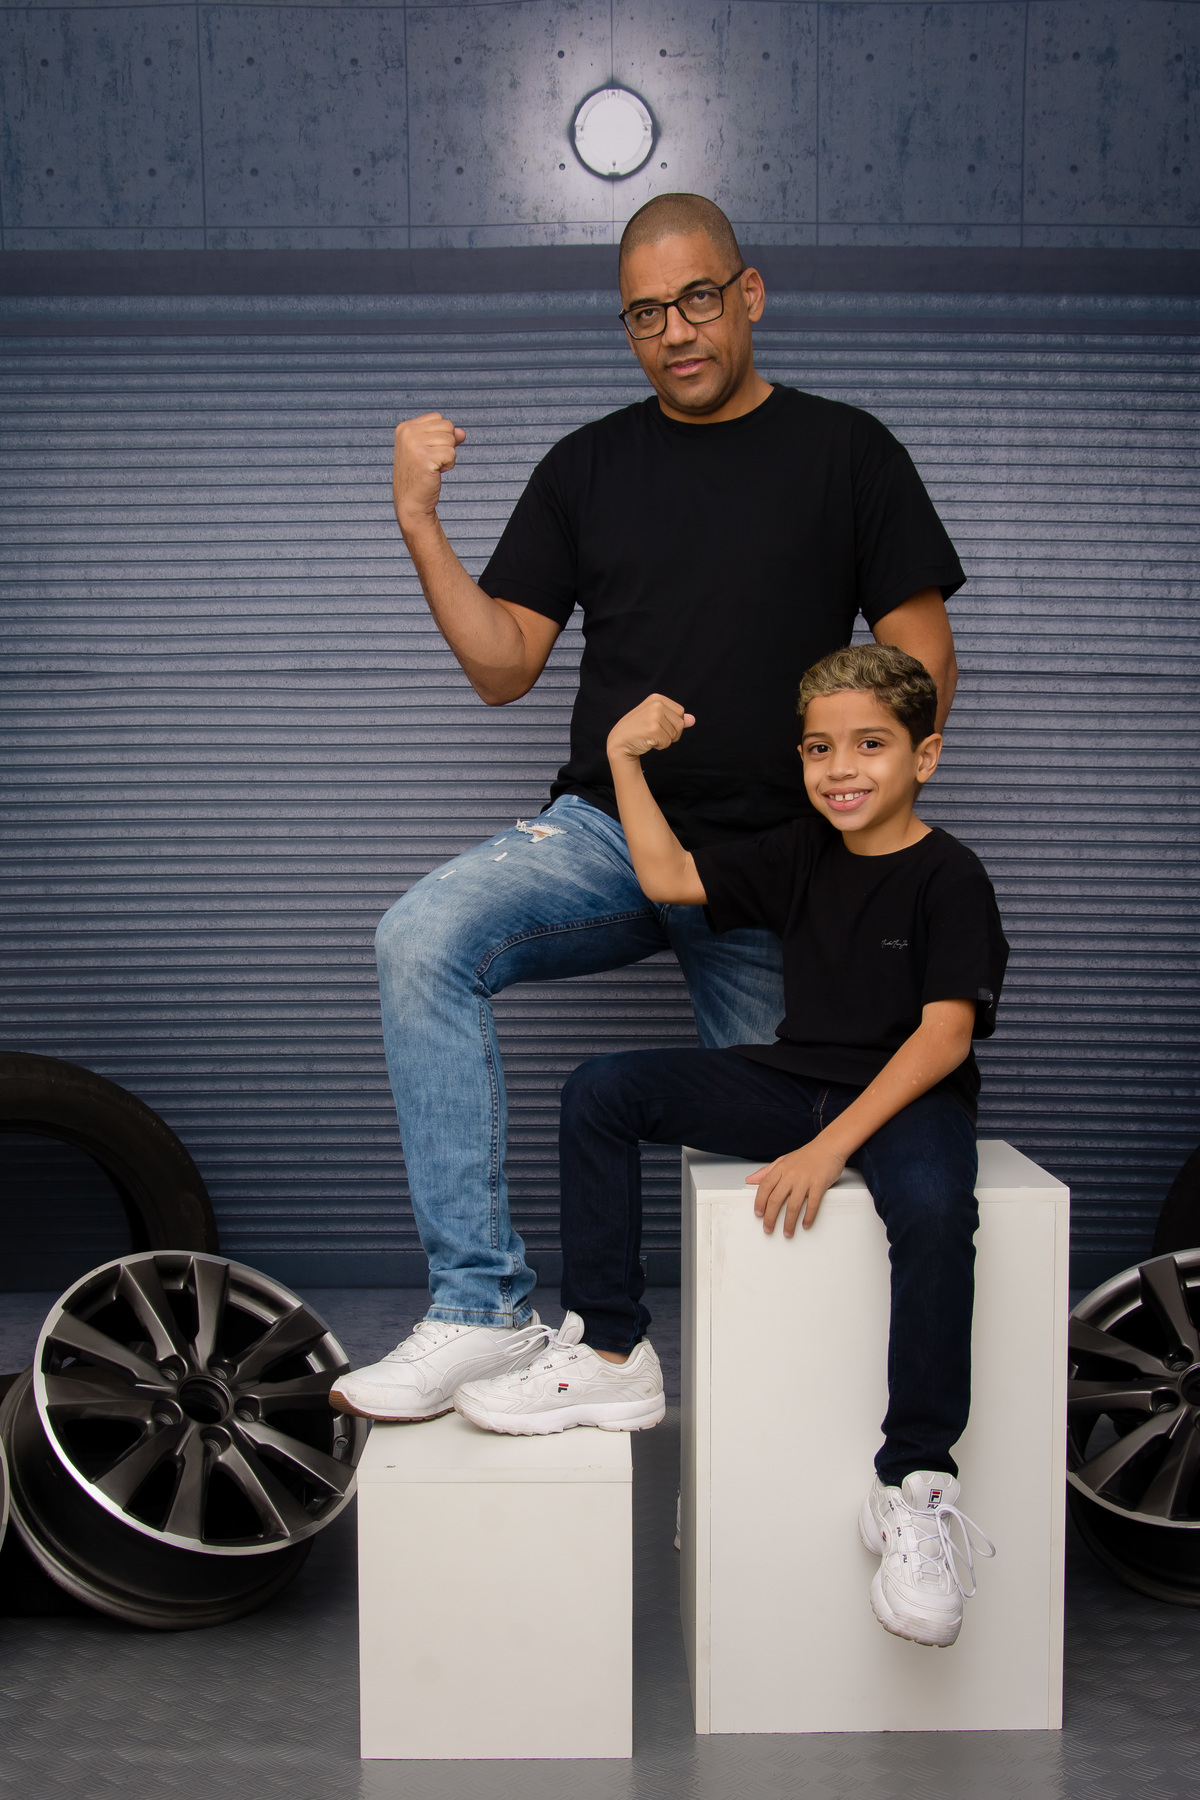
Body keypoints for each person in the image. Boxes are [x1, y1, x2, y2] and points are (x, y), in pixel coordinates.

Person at [330, 192, 967, 1426]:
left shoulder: (848, 453)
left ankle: (840, 1442)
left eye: (697, 299)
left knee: (828, 1141)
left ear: (749, 294)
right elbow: (504, 666)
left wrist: (852, 829)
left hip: (775, 868)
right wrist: (418, 520)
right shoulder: (587, 466)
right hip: (610, 837)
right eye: (643, 313)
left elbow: (922, 655)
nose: (674, 330)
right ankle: (481, 1306)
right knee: (420, 938)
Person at [454, 644, 1006, 1649]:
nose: (841, 769)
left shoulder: (950, 875)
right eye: (820, 749)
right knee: (601, 1091)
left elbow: (943, 1039)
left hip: (907, 1098)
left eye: (870, 745)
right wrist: (624, 759)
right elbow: (667, 876)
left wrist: (828, 1148)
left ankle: (915, 1484)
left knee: (934, 1209)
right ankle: (611, 1346)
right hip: (795, 1079)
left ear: (924, 757)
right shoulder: (800, 851)